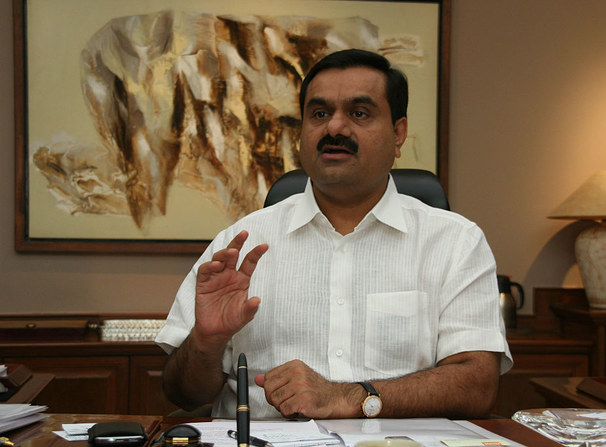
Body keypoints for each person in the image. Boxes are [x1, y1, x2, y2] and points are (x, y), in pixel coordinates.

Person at [155, 49, 512, 420]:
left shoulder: (455, 243)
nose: (335, 129)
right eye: (320, 114)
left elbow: (477, 385)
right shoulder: (240, 244)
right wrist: (206, 342)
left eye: (360, 113)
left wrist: (349, 397)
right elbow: (182, 393)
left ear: (398, 133)